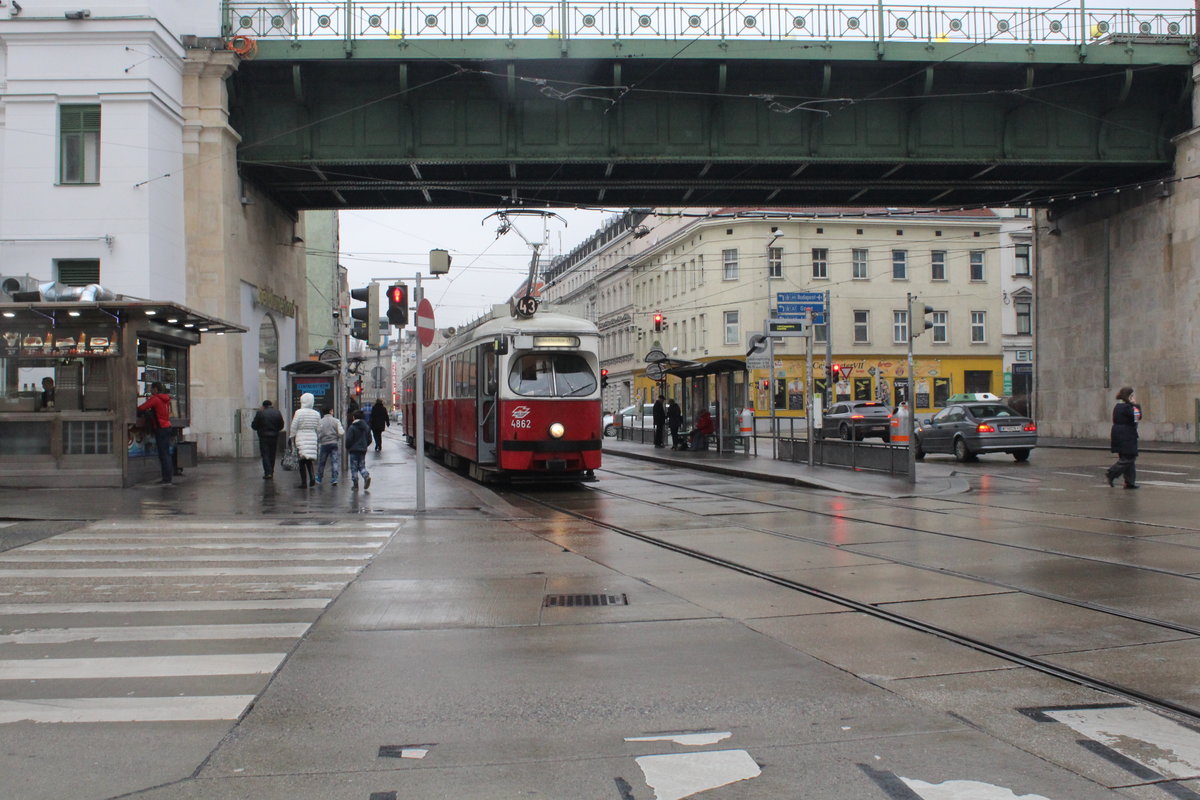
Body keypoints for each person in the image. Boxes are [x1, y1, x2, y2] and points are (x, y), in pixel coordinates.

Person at [137, 381, 173, 484]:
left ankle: (166, 479)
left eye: (152, 389)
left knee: (163, 454)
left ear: (156, 389)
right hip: (167, 426)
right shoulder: (166, 399)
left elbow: (142, 408)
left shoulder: (155, 399)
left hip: (160, 428)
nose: (151, 391)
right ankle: (168, 477)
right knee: (166, 453)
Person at [1106, 386, 1141, 489]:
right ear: (1129, 396)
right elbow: (1138, 417)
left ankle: (1129, 482)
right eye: (1132, 395)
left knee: (1126, 457)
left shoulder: (1119, 406)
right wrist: (1136, 405)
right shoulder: (1127, 407)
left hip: (1119, 434)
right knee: (1130, 457)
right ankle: (1112, 473)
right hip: (1126, 435)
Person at [289, 392, 321, 489]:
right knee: (309, 459)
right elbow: (319, 428)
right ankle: (312, 477)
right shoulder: (316, 413)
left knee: (302, 460)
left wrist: (292, 437)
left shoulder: (298, 412)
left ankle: (303, 482)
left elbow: (294, 426)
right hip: (312, 436)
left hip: (301, 437)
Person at [250, 400, 285, 479]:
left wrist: (260, 428)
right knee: (272, 454)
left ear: (263, 406)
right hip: (274, 437)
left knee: (265, 454)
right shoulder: (277, 412)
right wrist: (275, 430)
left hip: (263, 437)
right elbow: (281, 425)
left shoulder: (260, 413)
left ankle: (268, 472)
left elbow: (254, 425)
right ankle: (271, 471)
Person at [315, 406, 345, 485]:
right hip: (334, 443)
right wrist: (337, 437)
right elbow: (341, 432)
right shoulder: (336, 421)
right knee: (334, 461)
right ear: (331, 411)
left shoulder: (320, 422)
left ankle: (319, 478)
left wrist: (321, 439)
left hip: (324, 444)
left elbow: (318, 433)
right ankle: (334, 478)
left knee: (322, 462)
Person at [345, 408, 372, 491]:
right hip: (363, 450)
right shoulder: (366, 427)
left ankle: (355, 485)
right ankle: (366, 475)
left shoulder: (352, 427)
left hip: (353, 450)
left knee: (354, 467)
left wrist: (348, 447)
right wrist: (364, 445)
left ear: (354, 418)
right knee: (362, 466)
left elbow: (349, 439)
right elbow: (370, 439)